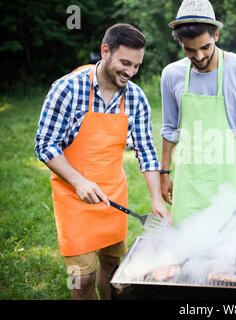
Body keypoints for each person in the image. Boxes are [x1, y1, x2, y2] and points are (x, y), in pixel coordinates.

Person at [34, 23, 171, 300]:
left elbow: (146, 150)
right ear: (105, 51)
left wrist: (156, 199)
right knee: (82, 279)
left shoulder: (135, 98)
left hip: (112, 196)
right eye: (124, 63)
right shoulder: (67, 89)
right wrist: (78, 181)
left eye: (136, 66)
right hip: (74, 195)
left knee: (113, 269)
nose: (130, 72)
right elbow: (45, 144)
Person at [159, 0, 236, 225]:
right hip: (189, 188)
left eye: (205, 47)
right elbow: (169, 130)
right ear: (179, 41)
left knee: (229, 256)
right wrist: (164, 173)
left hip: (232, 186)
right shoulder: (171, 75)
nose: (198, 57)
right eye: (189, 49)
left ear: (216, 35)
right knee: (185, 254)